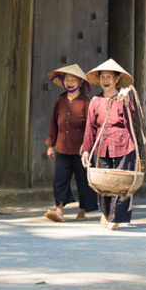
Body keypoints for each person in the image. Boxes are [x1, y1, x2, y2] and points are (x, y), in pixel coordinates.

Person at [81, 59, 137, 230]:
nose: (105, 80)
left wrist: (126, 103)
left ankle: (115, 219)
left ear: (117, 79)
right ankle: (106, 213)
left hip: (123, 145)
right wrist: (85, 151)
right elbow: (89, 127)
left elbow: (132, 122)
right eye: (103, 77)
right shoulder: (95, 101)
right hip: (101, 145)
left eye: (109, 77)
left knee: (120, 183)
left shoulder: (124, 99)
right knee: (103, 183)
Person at [43, 64, 99, 222]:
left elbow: (91, 125)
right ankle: (59, 211)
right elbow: (54, 123)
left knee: (83, 180)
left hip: (81, 149)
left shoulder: (86, 102)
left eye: (73, 80)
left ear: (80, 82)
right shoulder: (60, 100)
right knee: (60, 179)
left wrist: (87, 146)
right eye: (67, 79)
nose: (69, 82)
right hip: (62, 146)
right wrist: (50, 146)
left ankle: (82, 210)